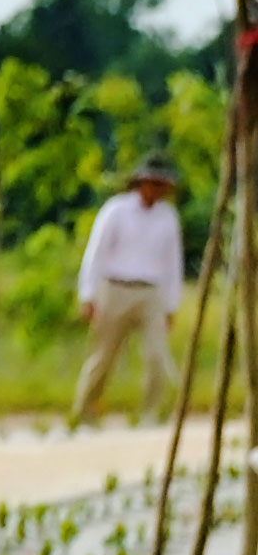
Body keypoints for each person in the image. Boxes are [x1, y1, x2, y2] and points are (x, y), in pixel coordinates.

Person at [70, 152, 190, 425]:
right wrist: (88, 294)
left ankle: (150, 414)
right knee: (103, 356)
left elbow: (173, 263)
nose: (158, 190)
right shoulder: (116, 210)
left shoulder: (168, 218)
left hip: (151, 293)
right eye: (154, 183)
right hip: (115, 288)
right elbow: (96, 253)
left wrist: (171, 305)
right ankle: (85, 411)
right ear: (142, 182)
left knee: (156, 356)